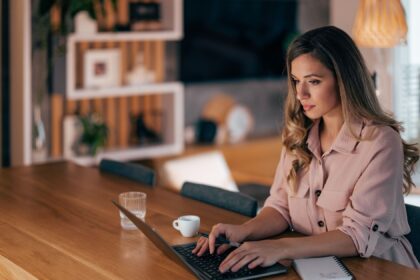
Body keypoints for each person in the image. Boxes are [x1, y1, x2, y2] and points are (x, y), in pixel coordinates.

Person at [192, 25, 420, 272]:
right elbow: (281, 207)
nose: (300, 94)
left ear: (344, 80)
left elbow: (357, 235)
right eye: (296, 81)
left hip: (380, 269)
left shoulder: (380, 142)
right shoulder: (297, 135)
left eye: (313, 81)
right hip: (313, 267)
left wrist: (280, 248)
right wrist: (243, 232)